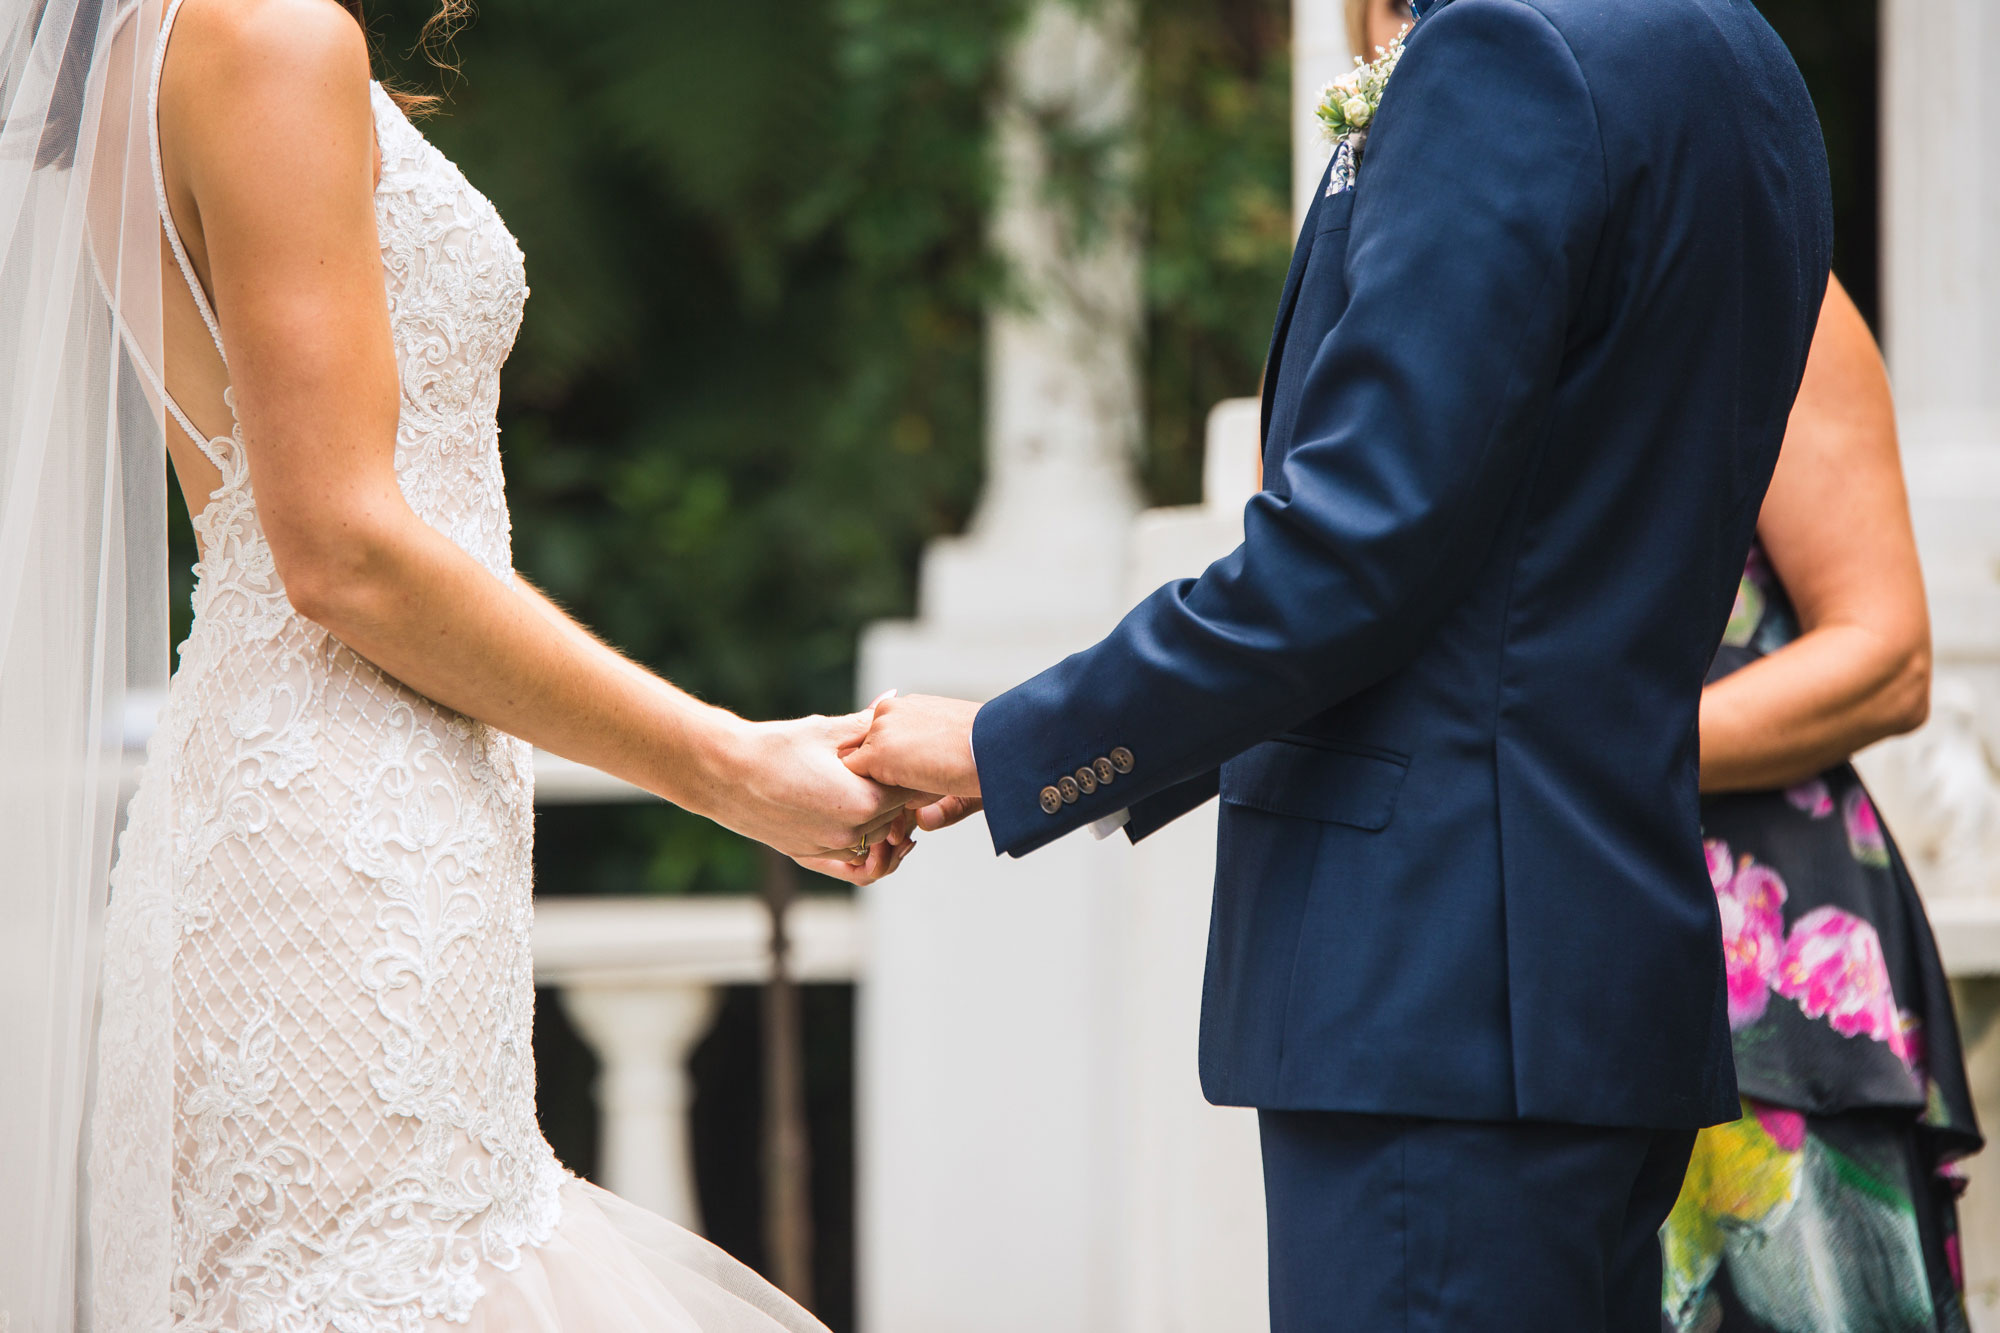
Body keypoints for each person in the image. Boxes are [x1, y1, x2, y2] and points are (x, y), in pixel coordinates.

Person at [846, 0, 1834, 1328]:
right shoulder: (1746, 61)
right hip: (1600, 975)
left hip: (1435, 1000)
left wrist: (1011, 745)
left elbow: (1354, 553)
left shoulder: (1509, 55)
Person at [12, 0, 922, 1326]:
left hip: (300, 815)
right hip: (344, 833)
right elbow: (345, 555)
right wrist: (730, 766)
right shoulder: (268, 37)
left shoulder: (150, 56)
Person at [1663, 276, 1982, 1331]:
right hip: (1474, 955)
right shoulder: (1385, 245)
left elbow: (1882, 654)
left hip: (1754, 961)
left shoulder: (1760, 270)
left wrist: (1567, 762)